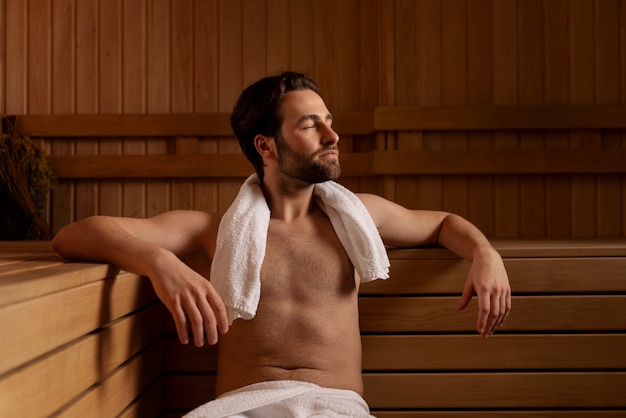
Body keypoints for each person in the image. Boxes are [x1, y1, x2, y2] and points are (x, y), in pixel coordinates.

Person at [52, 71, 511, 417]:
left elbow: (444, 223)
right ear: (266, 147)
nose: (332, 136)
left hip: (336, 408)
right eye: (312, 125)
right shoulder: (212, 231)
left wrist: (485, 254)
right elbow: (76, 234)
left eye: (329, 122)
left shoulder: (356, 219)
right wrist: (157, 261)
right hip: (242, 408)